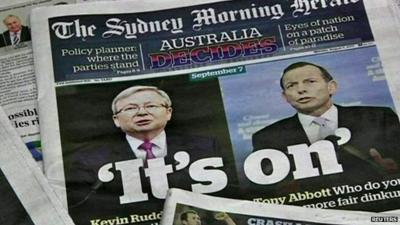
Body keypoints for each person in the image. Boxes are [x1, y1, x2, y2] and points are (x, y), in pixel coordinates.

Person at [251, 62, 400, 210]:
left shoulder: (379, 117)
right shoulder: (267, 137)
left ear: (332, 87)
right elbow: (266, 193)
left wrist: (394, 170)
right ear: (285, 97)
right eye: (291, 86)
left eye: (310, 82)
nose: (301, 90)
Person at [66, 85, 224, 225]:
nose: (142, 112)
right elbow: (83, 210)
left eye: (151, 106)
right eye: (130, 108)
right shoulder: (90, 161)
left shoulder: (205, 147)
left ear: (168, 113)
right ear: (116, 120)